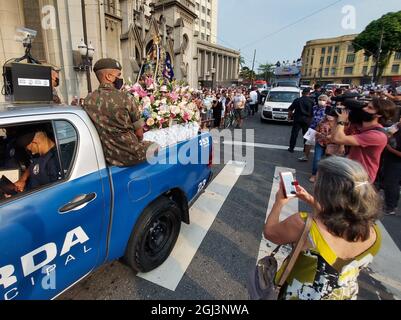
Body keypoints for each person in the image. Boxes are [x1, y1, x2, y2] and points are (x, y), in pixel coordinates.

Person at [264, 157, 382, 300]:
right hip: (344, 295)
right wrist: (308, 198)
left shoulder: (304, 224)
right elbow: (340, 214)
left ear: (327, 193)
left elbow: (270, 232)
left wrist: (279, 202)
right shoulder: (374, 232)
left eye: (318, 183)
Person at [83, 58, 157, 167]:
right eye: (118, 75)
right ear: (108, 76)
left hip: (106, 156)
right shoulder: (126, 97)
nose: (120, 78)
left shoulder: (88, 99)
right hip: (131, 155)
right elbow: (139, 133)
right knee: (156, 146)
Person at [332, 98, 396, 182]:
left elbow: (338, 138)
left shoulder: (377, 135)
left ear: (379, 114)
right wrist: (336, 118)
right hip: (351, 171)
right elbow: (333, 137)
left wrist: (341, 122)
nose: (364, 109)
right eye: (366, 106)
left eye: (369, 108)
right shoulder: (360, 127)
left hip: (362, 177)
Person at [298, 94, 330, 162]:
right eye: (320, 99)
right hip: (312, 128)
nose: (321, 101)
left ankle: (324, 159)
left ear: (327, 101)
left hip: (323, 130)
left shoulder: (328, 109)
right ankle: (305, 156)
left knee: (323, 145)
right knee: (307, 143)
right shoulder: (314, 107)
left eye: (324, 100)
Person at [381, 120, 401, 215]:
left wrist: (390, 149)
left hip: (397, 163)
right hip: (389, 160)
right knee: (389, 183)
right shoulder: (396, 128)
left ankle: (391, 207)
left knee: (392, 184)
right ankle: (390, 204)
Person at [288, 88, 314, 153]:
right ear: (309, 93)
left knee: (294, 134)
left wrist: (289, 117)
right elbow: (313, 112)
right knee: (306, 135)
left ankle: (291, 148)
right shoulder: (311, 101)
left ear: (302, 93)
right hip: (307, 120)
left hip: (297, 119)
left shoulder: (297, 100)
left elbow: (290, 110)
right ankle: (305, 149)